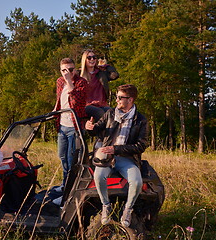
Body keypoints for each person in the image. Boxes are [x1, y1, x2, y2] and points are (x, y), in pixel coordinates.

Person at [85, 84, 148, 228]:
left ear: (130, 100)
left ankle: (128, 209)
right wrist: (90, 128)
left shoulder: (141, 120)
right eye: (116, 96)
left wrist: (116, 149)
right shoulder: (111, 113)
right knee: (99, 176)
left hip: (127, 158)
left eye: (120, 97)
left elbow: (141, 146)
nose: (117, 100)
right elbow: (97, 129)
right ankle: (105, 205)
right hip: (107, 158)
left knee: (137, 182)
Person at [52, 58, 88, 193]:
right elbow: (59, 100)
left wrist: (69, 82)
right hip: (62, 125)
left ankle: (70, 187)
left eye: (71, 70)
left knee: (71, 157)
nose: (67, 73)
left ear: (76, 69)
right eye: (64, 70)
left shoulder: (81, 82)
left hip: (74, 126)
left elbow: (76, 102)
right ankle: (65, 183)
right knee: (62, 156)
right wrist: (54, 111)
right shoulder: (60, 81)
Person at [80, 49, 119, 122]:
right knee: (100, 113)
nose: (92, 59)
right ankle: (102, 132)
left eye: (94, 57)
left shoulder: (101, 73)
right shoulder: (80, 75)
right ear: (84, 60)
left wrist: (106, 66)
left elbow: (115, 75)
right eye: (89, 58)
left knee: (113, 113)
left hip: (102, 104)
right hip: (87, 105)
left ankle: (111, 133)